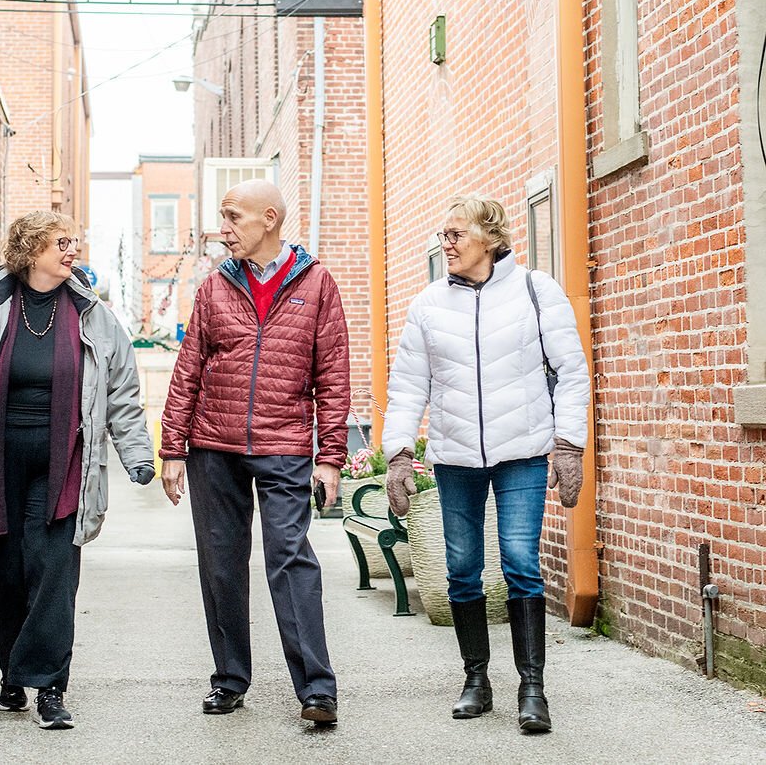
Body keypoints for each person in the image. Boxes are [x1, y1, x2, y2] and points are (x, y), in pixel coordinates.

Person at [0, 211, 154, 730]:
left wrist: (137, 454)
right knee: (5, 571)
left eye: (74, 242)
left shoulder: (93, 315)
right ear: (31, 251)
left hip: (64, 461)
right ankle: (13, 672)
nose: (72, 251)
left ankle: (50, 686)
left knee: (55, 570)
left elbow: (121, 393)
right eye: (61, 243)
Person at [382, 196, 590, 734]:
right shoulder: (428, 303)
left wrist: (568, 443)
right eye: (443, 235)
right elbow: (407, 385)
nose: (445, 243)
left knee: (521, 561)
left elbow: (571, 369)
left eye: (455, 234)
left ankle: (532, 688)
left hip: (521, 452)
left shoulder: (534, 291)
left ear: (490, 239)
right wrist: (399, 451)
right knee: (462, 568)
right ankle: (476, 679)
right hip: (454, 458)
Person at [159, 179, 350, 725]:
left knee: (290, 558)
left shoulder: (317, 285)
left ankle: (317, 688)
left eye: (233, 217)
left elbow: (333, 377)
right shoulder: (215, 286)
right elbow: (188, 367)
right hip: (212, 445)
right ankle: (229, 679)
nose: (224, 229)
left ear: (269, 218)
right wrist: (173, 447)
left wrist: (330, 455)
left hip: (285, 443)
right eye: (223, 217)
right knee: (221, 563)